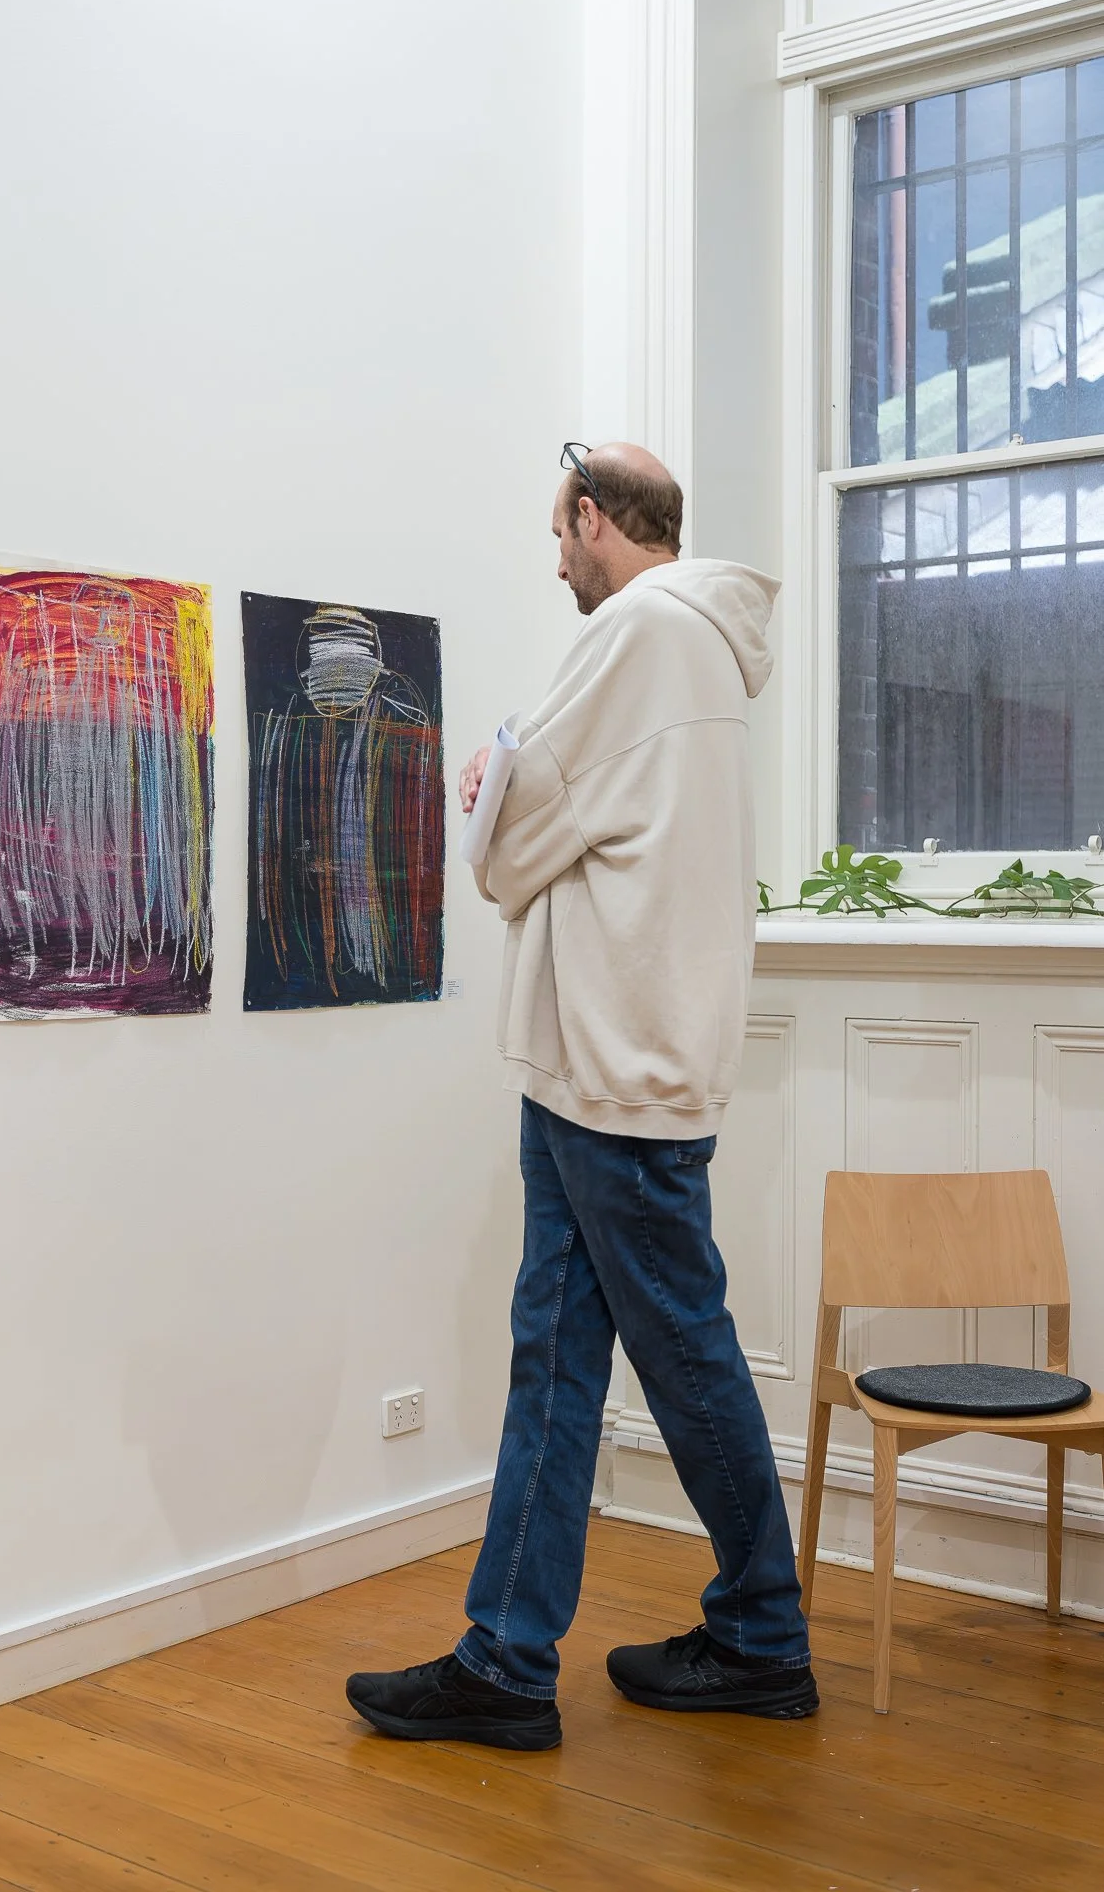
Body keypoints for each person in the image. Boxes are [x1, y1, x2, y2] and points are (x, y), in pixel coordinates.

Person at [345, 441, 816, 1751]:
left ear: (597, 518)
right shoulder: (700, 642)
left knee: (676, 1350)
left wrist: (488, 791)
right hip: (606, 1064)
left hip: (615, 1067)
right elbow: (567, 814)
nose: (558, 563)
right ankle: (509, 1657)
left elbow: (512, 837)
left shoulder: (643, 631)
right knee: (560, 1352)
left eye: (561, 536)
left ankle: (761, 1634)